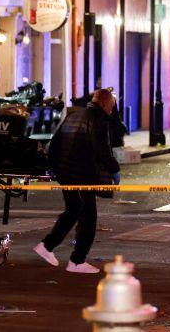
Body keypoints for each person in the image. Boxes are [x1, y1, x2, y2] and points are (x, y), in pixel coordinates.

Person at [34, 89, 120, 274]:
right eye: (112, 107)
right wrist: (114, 170)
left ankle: (48, 247)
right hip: (81, 174)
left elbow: (55, 142)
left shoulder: (74, 115)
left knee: (74, 210)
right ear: (105, 104)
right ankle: (76, 260)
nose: (112, 111)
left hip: (66, 173)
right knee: (88, 218)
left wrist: (54, 168)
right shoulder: (98, 120)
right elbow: (102, 150)